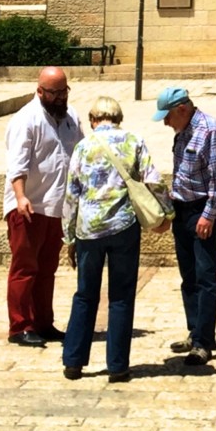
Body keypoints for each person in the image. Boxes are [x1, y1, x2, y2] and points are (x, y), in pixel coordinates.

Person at [60, 95, 166, 383]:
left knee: (85, 294)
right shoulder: (134, 141)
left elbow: (71, 194)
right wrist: (166, 213)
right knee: (121, 296)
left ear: (93, 120)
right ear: (119, 119)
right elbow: (153, 180)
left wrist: (68, 237)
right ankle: (117, 366)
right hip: (123, 228)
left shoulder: (83, 147)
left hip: (89, 231)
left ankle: (73, 362)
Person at [155, 86, 216, 364]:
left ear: (182, 109)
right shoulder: (183, 131)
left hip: (202, 211)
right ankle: (194, 330)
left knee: (205, 275)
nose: (165, 122)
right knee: (188, 276)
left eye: (167, 116)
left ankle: (203, 342)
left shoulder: (210, 131)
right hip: (182, 210)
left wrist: (209, 215)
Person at [4, 66, 79, 348]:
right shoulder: (26, 119)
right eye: (54, 92)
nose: (60, 97)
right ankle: (20, 326)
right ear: (40, 91)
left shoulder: (72, 118)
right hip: (29, 206)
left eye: (64, 91)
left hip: (57, 207)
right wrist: (21, 196)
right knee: (25, 268)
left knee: (47, 269)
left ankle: (43, 323)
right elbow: (17, 163)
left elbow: (80, 155)